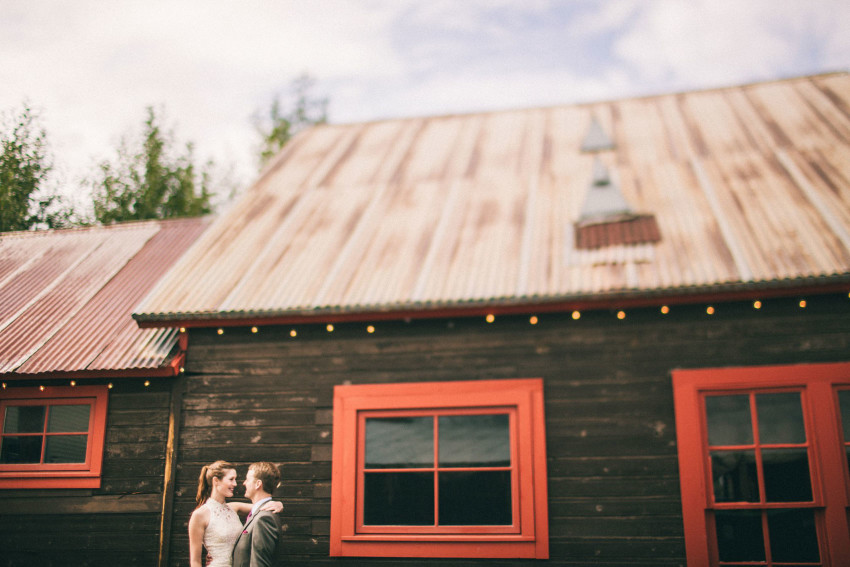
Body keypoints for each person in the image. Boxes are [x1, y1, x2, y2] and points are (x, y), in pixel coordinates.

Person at [188, 460, 282, 567]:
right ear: (216, 481)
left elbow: (261, 507)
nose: (235, 484)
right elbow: (195, 561)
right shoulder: (199, 515)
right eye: (231, 479)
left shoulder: (234, 507)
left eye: (235, 479)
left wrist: (278, 504)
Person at [232, 461, 283, 567]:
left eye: (247, 479)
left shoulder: (264, 518)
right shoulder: (260, 513)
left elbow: (260, 563)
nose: (244, 483)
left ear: (258, 484)